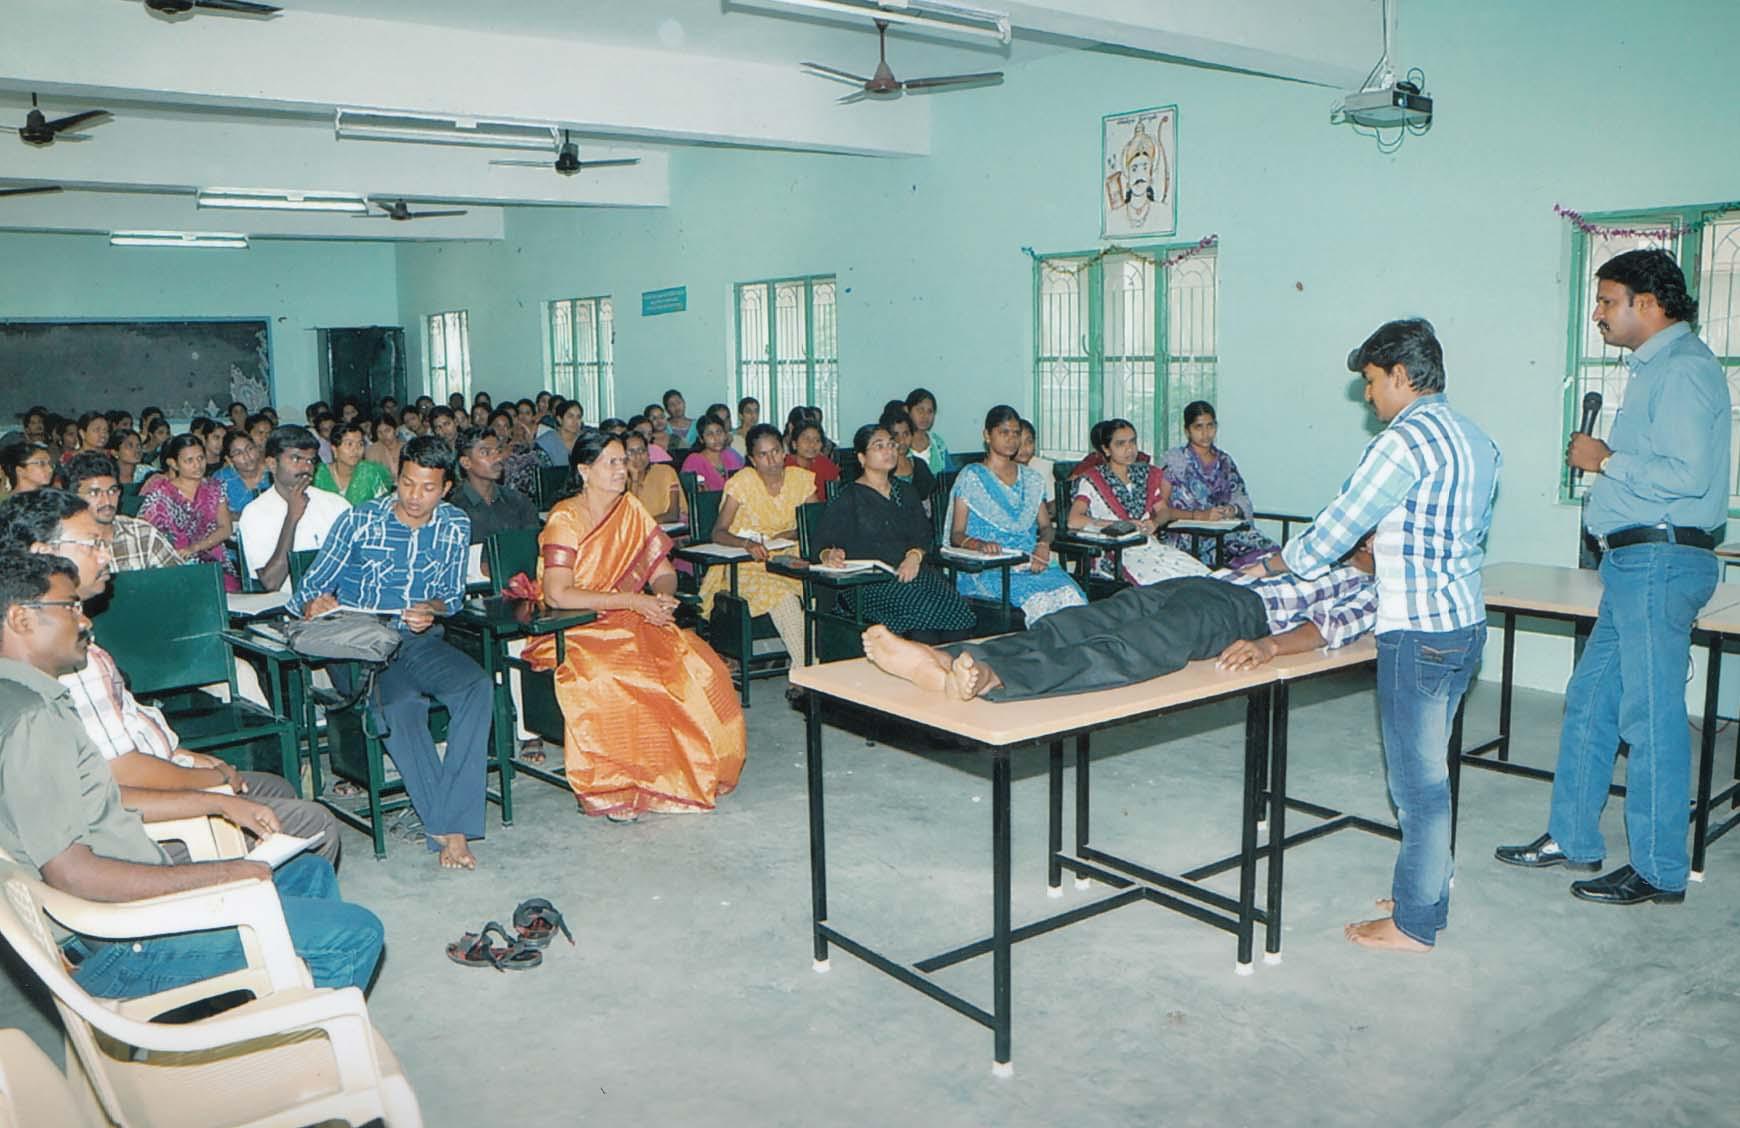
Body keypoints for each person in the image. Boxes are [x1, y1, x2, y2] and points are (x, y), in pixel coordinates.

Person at [0, 551, 383, 999]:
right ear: (20, 618)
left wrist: (218, 801)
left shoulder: (28, 700)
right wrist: (222, 874)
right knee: (356, 931)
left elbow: (102, 800)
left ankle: (288, 1005)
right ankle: (299, 1039)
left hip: (131, 909)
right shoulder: (31, 718)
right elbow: (74, 875)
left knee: (310, 873)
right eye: (70, 606)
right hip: (123, 940)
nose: (84, 621)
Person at [1497, 250, 1730, 907]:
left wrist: (1606, 460)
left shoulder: (1682, 370)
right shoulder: (1660, 368)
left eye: (1606, 301)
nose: (1597, 314)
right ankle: (1573, 837)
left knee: (1650, 718)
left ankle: (1659, 870)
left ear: (1648, 305)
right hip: (1632, 564)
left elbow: (1684, 476)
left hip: (1659, 561)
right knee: (1592, 700)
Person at [1270, 318, 1499, 953]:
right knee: (1434, 771)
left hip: (1416, 634)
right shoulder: (1477, 439)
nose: (1369, 397)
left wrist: (1277, 565)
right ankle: (1427, 888)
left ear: (1401, 375)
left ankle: (1414, 924)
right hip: (1463, 626)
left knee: (1417, 785)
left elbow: (1334, 529)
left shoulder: (1403, 443)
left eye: (1372, 382)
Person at [0, 491, 339, 869]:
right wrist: (208, 784)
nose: (106, 555)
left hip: (150, 773)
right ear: (44, 552)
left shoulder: (70, 634)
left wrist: (187, 759)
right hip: (133, 821)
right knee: (314, 823)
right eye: (93, 544)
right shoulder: (62, 658)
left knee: (276, 789)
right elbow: (119, 774)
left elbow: (126, 735)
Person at [288, 437, 491, 871]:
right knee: (401, 706)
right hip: (359, 645)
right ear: (396, 478)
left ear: (447, 487)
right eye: (407, 483)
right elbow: (307, 588)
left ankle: (444, 815)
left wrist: (430, 609)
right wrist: (315, 601)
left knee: (476, 686)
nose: (415, 497)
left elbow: (451, 597)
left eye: (428, 488)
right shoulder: (360, 520)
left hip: (417, 638)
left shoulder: (455, 524)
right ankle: (451, 828)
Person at [525, 433, 747, 821]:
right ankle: (620, 783)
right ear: (583, 470)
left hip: (633, 617)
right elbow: (558, 594)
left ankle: (678, 773)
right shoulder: (566, 517)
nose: (621, 470)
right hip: (575, 628)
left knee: (703, 669)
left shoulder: (631, 509)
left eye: (622, 461)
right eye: (609, 462)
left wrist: (661, 597)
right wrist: (633, 601)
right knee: (620, 675)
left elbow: (663, 573)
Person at [860, 539, 1379, 700]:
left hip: (1242, 614)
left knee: (1131, 647)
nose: (1367, 537)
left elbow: (1325, 630)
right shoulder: (1327, 553)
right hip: (1205, 583)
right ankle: (944, 661)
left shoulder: (1375, 589)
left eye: (1378, 535)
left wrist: (1267, 648)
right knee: (1084, 620)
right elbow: (1266, 562)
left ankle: (998, 678)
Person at [813, 424, 976, 641]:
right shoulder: (848, 497)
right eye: (879, 446)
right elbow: (820, 544)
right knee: (920, 619)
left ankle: (952, 673)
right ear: (862, 458)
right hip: (869, 583)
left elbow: (924, 534)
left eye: (891, 445)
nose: (889, 450)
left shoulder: (905, 491)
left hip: (912, 571)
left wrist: (914, 557)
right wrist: (829, 555)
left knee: (955, 609)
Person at [947, 405, 1086, 624]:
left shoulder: (1031, 479)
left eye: (1016, 433)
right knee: (1042, 607)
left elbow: (1046, 527)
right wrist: (979, 545)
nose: (1012, 439)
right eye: (1004, 433)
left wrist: (1043, 546)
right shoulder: (971, 477)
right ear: (987, 435)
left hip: (1033, 563)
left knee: (1073, 599)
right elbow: (956, 534)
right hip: (990, 568)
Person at [698, 424, 812, 662]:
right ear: (752, 459)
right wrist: (746, 544)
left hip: (789, 558)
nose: (771, 459)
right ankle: (807, 672)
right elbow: (718, 532)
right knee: (783, 598)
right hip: (748, 564)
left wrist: (794, 533)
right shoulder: (743, 483)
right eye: (763, 454)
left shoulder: (800, 479)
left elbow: (814, 525)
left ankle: (807, 671)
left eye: (776, 451)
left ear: (784, 452)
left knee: (818, 593)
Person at [1069, 418, 1204, 587]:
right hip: (1114, 552)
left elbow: (1164, 511)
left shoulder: (1144, 475)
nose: (1129, 449)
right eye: (1120, 444)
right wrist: (1120, 525)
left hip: (1147, 545)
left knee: (1197, 574)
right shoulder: (1092, 480)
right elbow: (1074, 520)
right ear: (1106, 449)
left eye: (1132, 441)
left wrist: (1154, 523)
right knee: (1165, 583)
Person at [1157, 401, 1279, 568]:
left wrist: (1232, 510)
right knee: (1247, 561)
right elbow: (1159, 510)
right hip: (1187, 537)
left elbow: (1241, 499)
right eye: (1198, 427)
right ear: (1187, 431)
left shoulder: (1224, 461)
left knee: (1271, 553)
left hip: (1224, 532)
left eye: (1210, 426)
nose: (1206, 433)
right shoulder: (1174, 461)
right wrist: (1200, 516)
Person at [237, 425, 351, 593]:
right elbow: (271, 582)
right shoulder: (254, 513)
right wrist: (292, 517)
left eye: (311, 460)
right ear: (272, 464)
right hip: (286, 609)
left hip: (338, 602)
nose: (306, 468)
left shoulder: (337, 505)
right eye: (296, 459)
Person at [138, 434, 236, 591]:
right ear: (174, 464)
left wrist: (195, 548)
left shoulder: (216, 488)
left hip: (212, 560)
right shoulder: (161, 492)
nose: (197, 465)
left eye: (200, 458)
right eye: (189, 461)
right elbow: (143, 531)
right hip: (174, 563)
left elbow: (226, 528)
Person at [63, 452, 181, 572]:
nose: (107, 501)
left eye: (112, 491)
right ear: (73, 497)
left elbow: (180, 581)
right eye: (94, 493)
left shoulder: (143, 534)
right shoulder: (61, 543)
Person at [452, 426, 539, 546]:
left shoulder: (519, 502)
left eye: (498, 451)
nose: (498, 458)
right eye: (485, 452)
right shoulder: (455, 510)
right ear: (466, 462)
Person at [313, 421, 393, 506]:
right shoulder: (318, 475)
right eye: (349, 444)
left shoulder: (373, 472)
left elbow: (383, 507)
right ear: (334, 449)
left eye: (360, 444)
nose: (356, 450)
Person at [881, 406, 938, 510]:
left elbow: (928, 508)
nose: (901, 440)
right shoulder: (881, 470)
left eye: (906, 434)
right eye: (895, 435)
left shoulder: (919, 466)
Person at [626, 431, 684, 522]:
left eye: (642, 450)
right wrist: (634, 478)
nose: (638, 456)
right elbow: (630, 516)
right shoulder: (618, 481)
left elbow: (673, 515)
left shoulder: (665, 472)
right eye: (631, 452)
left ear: (648, 454)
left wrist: (645, 525)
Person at [211, 430, 272, 516]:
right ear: (229, 460)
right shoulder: (221, 479)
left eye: (250, 449)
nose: (247, 456)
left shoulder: (274, 472)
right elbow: (215, 514)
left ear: (257, 449)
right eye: (238, 453)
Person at [680, 416, 746, 492]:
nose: (716, 438)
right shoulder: (693, 461)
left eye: (719, 432)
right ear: (701, 439)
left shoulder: (731, 454)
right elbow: (687, 493)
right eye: (709, 434)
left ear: (725, 434)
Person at [784, 416, 840, 503]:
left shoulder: (824, 463)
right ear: (794, 444)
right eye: (806, 439)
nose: (812, 444)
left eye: (817, 440)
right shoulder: (785, 466)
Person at [906, 388, 950, 475]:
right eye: (920, 410)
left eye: (930, 411)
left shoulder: (938, 443)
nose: (925, 416)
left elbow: (950, 475)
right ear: (908, 411)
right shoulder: (900, 442)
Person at [536, 398, 586, 468]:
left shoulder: (586, 440)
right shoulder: (546, 442)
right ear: (559, 419)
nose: (575, 421)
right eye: (570, 416)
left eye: (578, 417)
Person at [1016, 419, 1055, 484]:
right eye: (1018, 443)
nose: (1024, 448)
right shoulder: (1001, 469)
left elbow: (1049, 493)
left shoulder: (1044, 468)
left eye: (1029, 442)